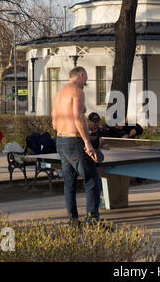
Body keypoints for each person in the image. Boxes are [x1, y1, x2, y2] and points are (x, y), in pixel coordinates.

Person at [52, 66, 101, 226]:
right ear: (80, 75)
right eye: (86, 77)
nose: (86, 81)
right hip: (74, 140)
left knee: (69, 182)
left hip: (60, 139)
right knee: (92, 180)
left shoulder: (59, 93)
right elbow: (78, 118)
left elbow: (54, 123)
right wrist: (88, 143)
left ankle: (73, 220)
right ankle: (92, 220)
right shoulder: (77, 91)